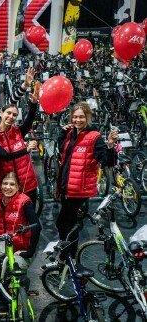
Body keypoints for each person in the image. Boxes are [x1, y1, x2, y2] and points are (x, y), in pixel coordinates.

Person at [55, 102, 118, 259]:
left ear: (88, 117)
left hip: (78, 189)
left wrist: (110, 146)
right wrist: (62, 133)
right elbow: (63, 147)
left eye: (81, 117)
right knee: (69, 222)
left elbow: (107, 161)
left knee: (64, 223)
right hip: (65, 186)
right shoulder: (71, 133)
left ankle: (67, 255)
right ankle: (68, 253)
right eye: (75, 117)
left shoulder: (94, 137)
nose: (78, 120)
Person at [0, 85, 40, 207]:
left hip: (28, 184)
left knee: (29, 219)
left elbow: (29, 120)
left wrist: (34, 104)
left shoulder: (18, 132)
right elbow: (5, 156)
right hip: (7, 187)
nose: (11, 117)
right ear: (1, 113)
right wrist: (25, 150)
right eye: (8, 113)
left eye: (14, 115)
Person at [0, 172, 41, 270]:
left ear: (18, 187)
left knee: (13, 268)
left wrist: (29, 252)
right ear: (0, 186)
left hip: (18, 249)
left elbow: (37, 226)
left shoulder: (24, 202)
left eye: (12, 184)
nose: (7, 187)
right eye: (5, 183)